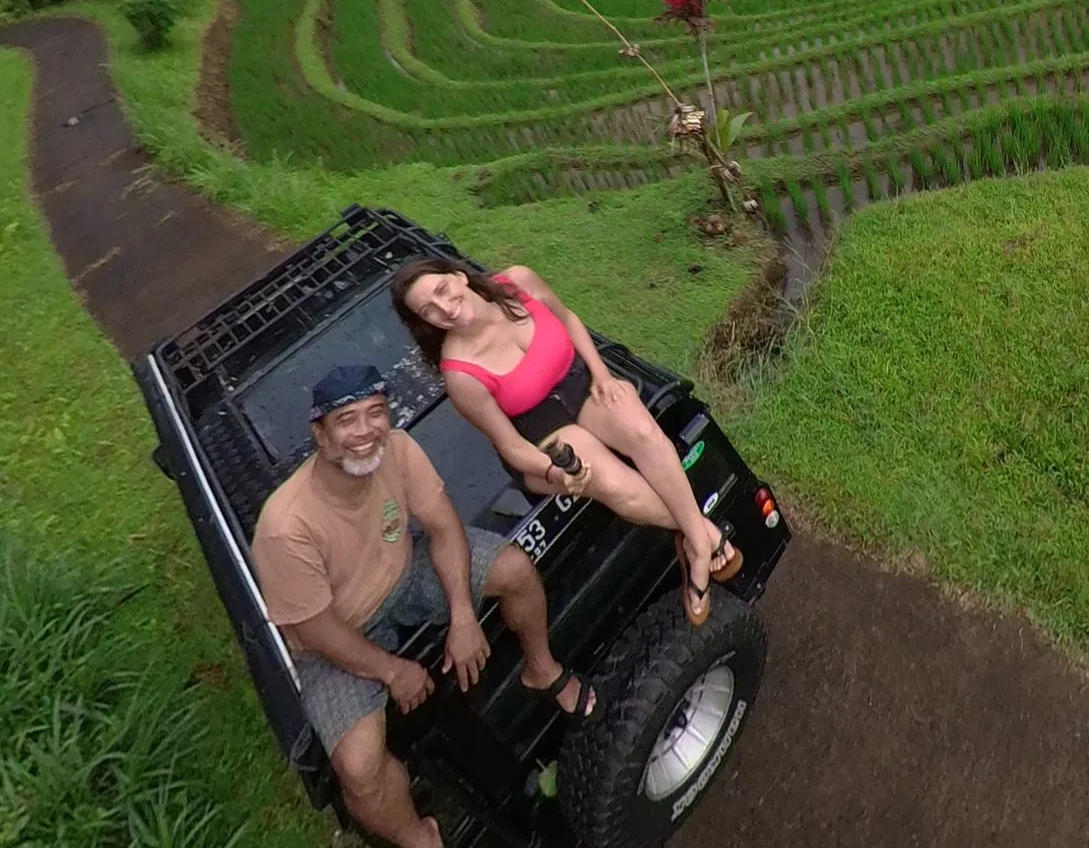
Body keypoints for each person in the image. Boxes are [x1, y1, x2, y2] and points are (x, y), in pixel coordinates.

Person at [252, 365, 595, 848]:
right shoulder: (285, 526)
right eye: (347, 419)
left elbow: (444, 527)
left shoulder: (398, 449)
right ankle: (420, 837)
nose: (366, 431)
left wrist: (462, 615)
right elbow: (315, 630)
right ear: (320, 433)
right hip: (338, 633)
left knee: (515, 571)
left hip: (403, 573)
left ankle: (543, 669)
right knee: (359, 767)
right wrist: (393, 672)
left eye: (376, 413)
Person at [390, 258, 741, 626]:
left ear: (458, 276)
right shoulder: (460, 375)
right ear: (423, 322)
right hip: (541, 436)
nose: (444, 308)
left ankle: (695, 540)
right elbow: (510, 445)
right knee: (612, 482)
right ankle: (704, 539)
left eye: (442, 291)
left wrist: (603, 374)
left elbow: (569, 318)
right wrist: (552, 471)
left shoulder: (517, 282)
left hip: (581, 385)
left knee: (643, 433)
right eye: (428, 310)